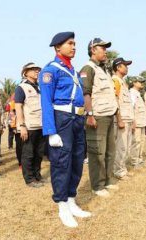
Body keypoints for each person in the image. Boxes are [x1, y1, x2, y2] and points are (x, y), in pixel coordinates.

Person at [39, 32, 91, 228]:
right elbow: (46, 101)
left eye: (75, 43)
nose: (74, 47)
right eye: (70, 43)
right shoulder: (50, 70)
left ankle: (71, 199)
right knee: (62, 162)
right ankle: (62, 205)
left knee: (77, 160)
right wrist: (51, 131)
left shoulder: (73, 70)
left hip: (77, 118)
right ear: (57, 47)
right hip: (61, 119)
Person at [80, 37, 119, 197]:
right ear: (93, 49)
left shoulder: (104, 70)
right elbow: (85, 93)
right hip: (97, 117)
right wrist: (89, 114)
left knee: (110, 151)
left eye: (105, 48)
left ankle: (108, 180)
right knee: (97, 153)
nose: (105, 51)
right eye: (102, 48)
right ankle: (97, 185)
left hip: (109, 115)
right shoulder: (88, 69)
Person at [15, 62, 46, 188]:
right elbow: (18, 107)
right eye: (33, 69)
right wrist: (22, 126)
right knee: (28, 153)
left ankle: (37, 175)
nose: (37, 71)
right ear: (25, 73)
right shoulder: (21, 88)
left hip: (40, 125)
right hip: (29, 126)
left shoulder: (39, 87)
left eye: (38, 69)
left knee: (39, 153)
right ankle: (29, 179)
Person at [111, 57, 135, 180]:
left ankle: (123, 169)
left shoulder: (123, 82)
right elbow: (115, 101)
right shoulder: (115, 80)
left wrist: (133, 120)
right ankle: (118, 171)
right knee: (121, 146)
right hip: (122, 119)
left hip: (128, 119)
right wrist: (119, 119)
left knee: (126, 146)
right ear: (118, 67)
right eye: (125, 65)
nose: (127, 67)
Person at [129, 77, 146, 167]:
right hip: (136, 121)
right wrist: (133, 121)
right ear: (134, 82)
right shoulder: (132, 93)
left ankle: (139, 158)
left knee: (141, 141)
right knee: (136, 142)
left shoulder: (138, 94)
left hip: (142, 121)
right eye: (140, 82)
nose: (142, 84)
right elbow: (131, 108)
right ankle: (134, 161)